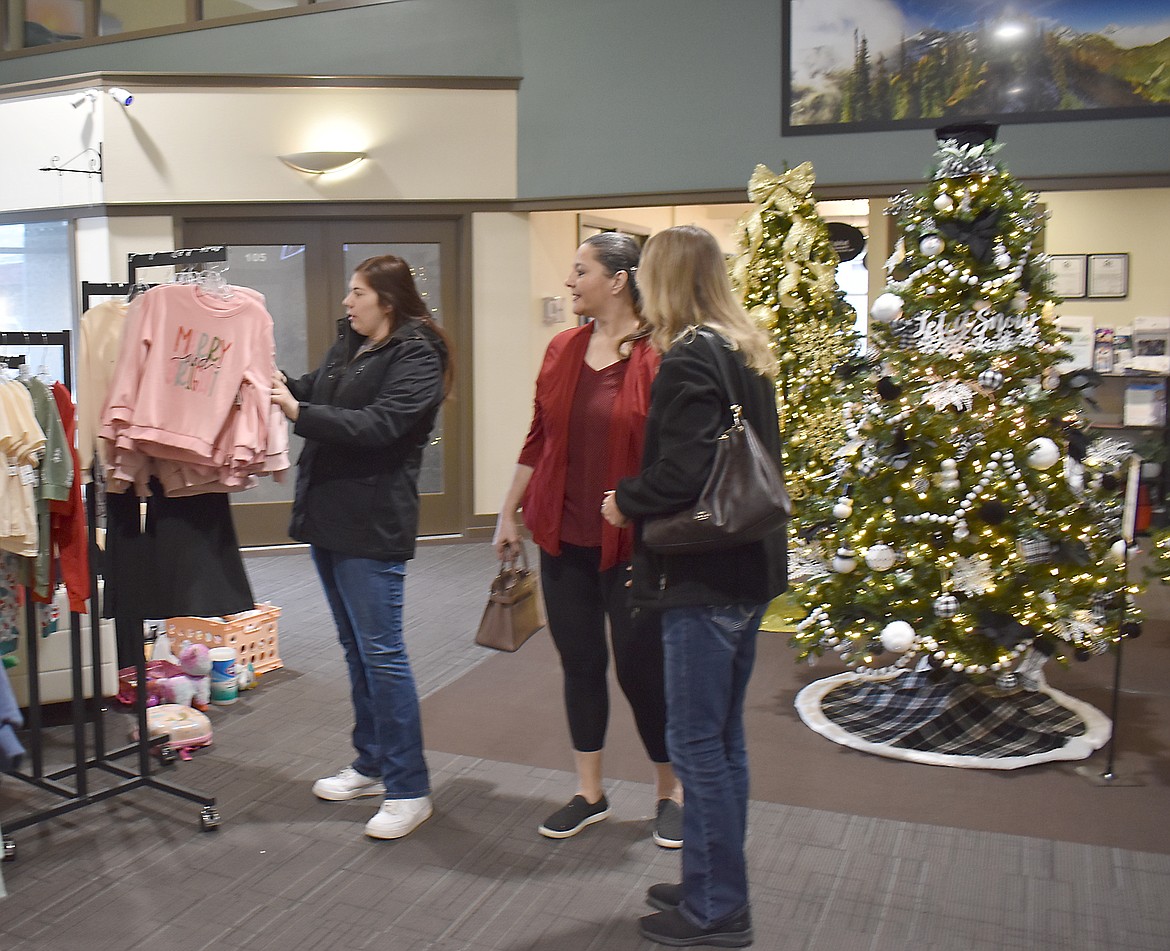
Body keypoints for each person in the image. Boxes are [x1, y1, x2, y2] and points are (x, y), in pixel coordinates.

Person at [602, 225, 787, 948]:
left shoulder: (685, 360)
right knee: (723, 742)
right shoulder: (746, 347)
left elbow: (680, 477)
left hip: (703, 578)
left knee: (696, 746)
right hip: (748, 568)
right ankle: (714, 883)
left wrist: (626, 499)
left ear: (665, 279)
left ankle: (718, 910)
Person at [493, 231, 683, 847]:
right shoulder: (562, 349)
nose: (570, 282)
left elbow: (673, 457)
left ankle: (669, 790)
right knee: (580, 663)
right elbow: (537, 439)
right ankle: (589, 791)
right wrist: (507, 514)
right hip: (564, 536)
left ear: (620, 279)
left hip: (634, 545)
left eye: (580, 271)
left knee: (640, 670)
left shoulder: (660, 357)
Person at [271, 254, 452, 841]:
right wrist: (281, 386)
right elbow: (320, 393)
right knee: (356, 649)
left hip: (372, 523)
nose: (347, 303)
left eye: (357, 293)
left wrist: (299, 411)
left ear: (388, 300)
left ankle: (410, 786)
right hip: (329, 517)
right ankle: (372, 763)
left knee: (382, 654)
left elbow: (380, 425)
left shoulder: (418, 354)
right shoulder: (349, 343)